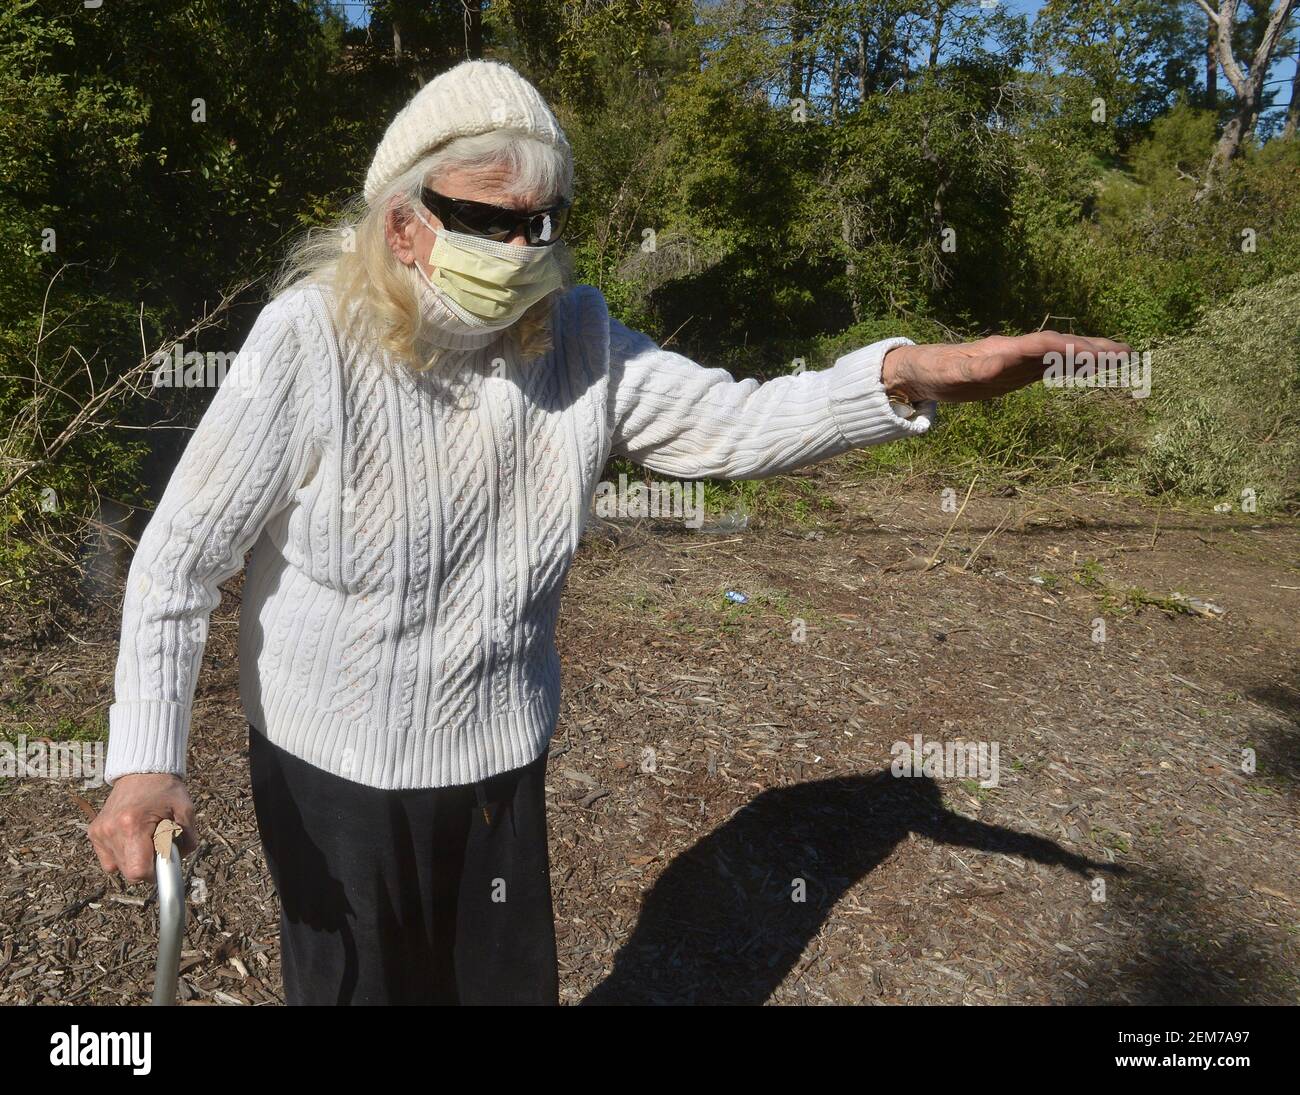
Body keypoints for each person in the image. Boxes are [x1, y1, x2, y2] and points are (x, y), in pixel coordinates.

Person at [87, 59, 1129, 1005]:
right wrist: (144, 760)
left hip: (496, 761)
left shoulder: (577, 338)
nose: (523, 249)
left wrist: (901, 374)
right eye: (492, 221)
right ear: (403, 221)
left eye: (543, 223)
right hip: (329, 769)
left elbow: (737, 419)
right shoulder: (312, 337)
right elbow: (180, 557)